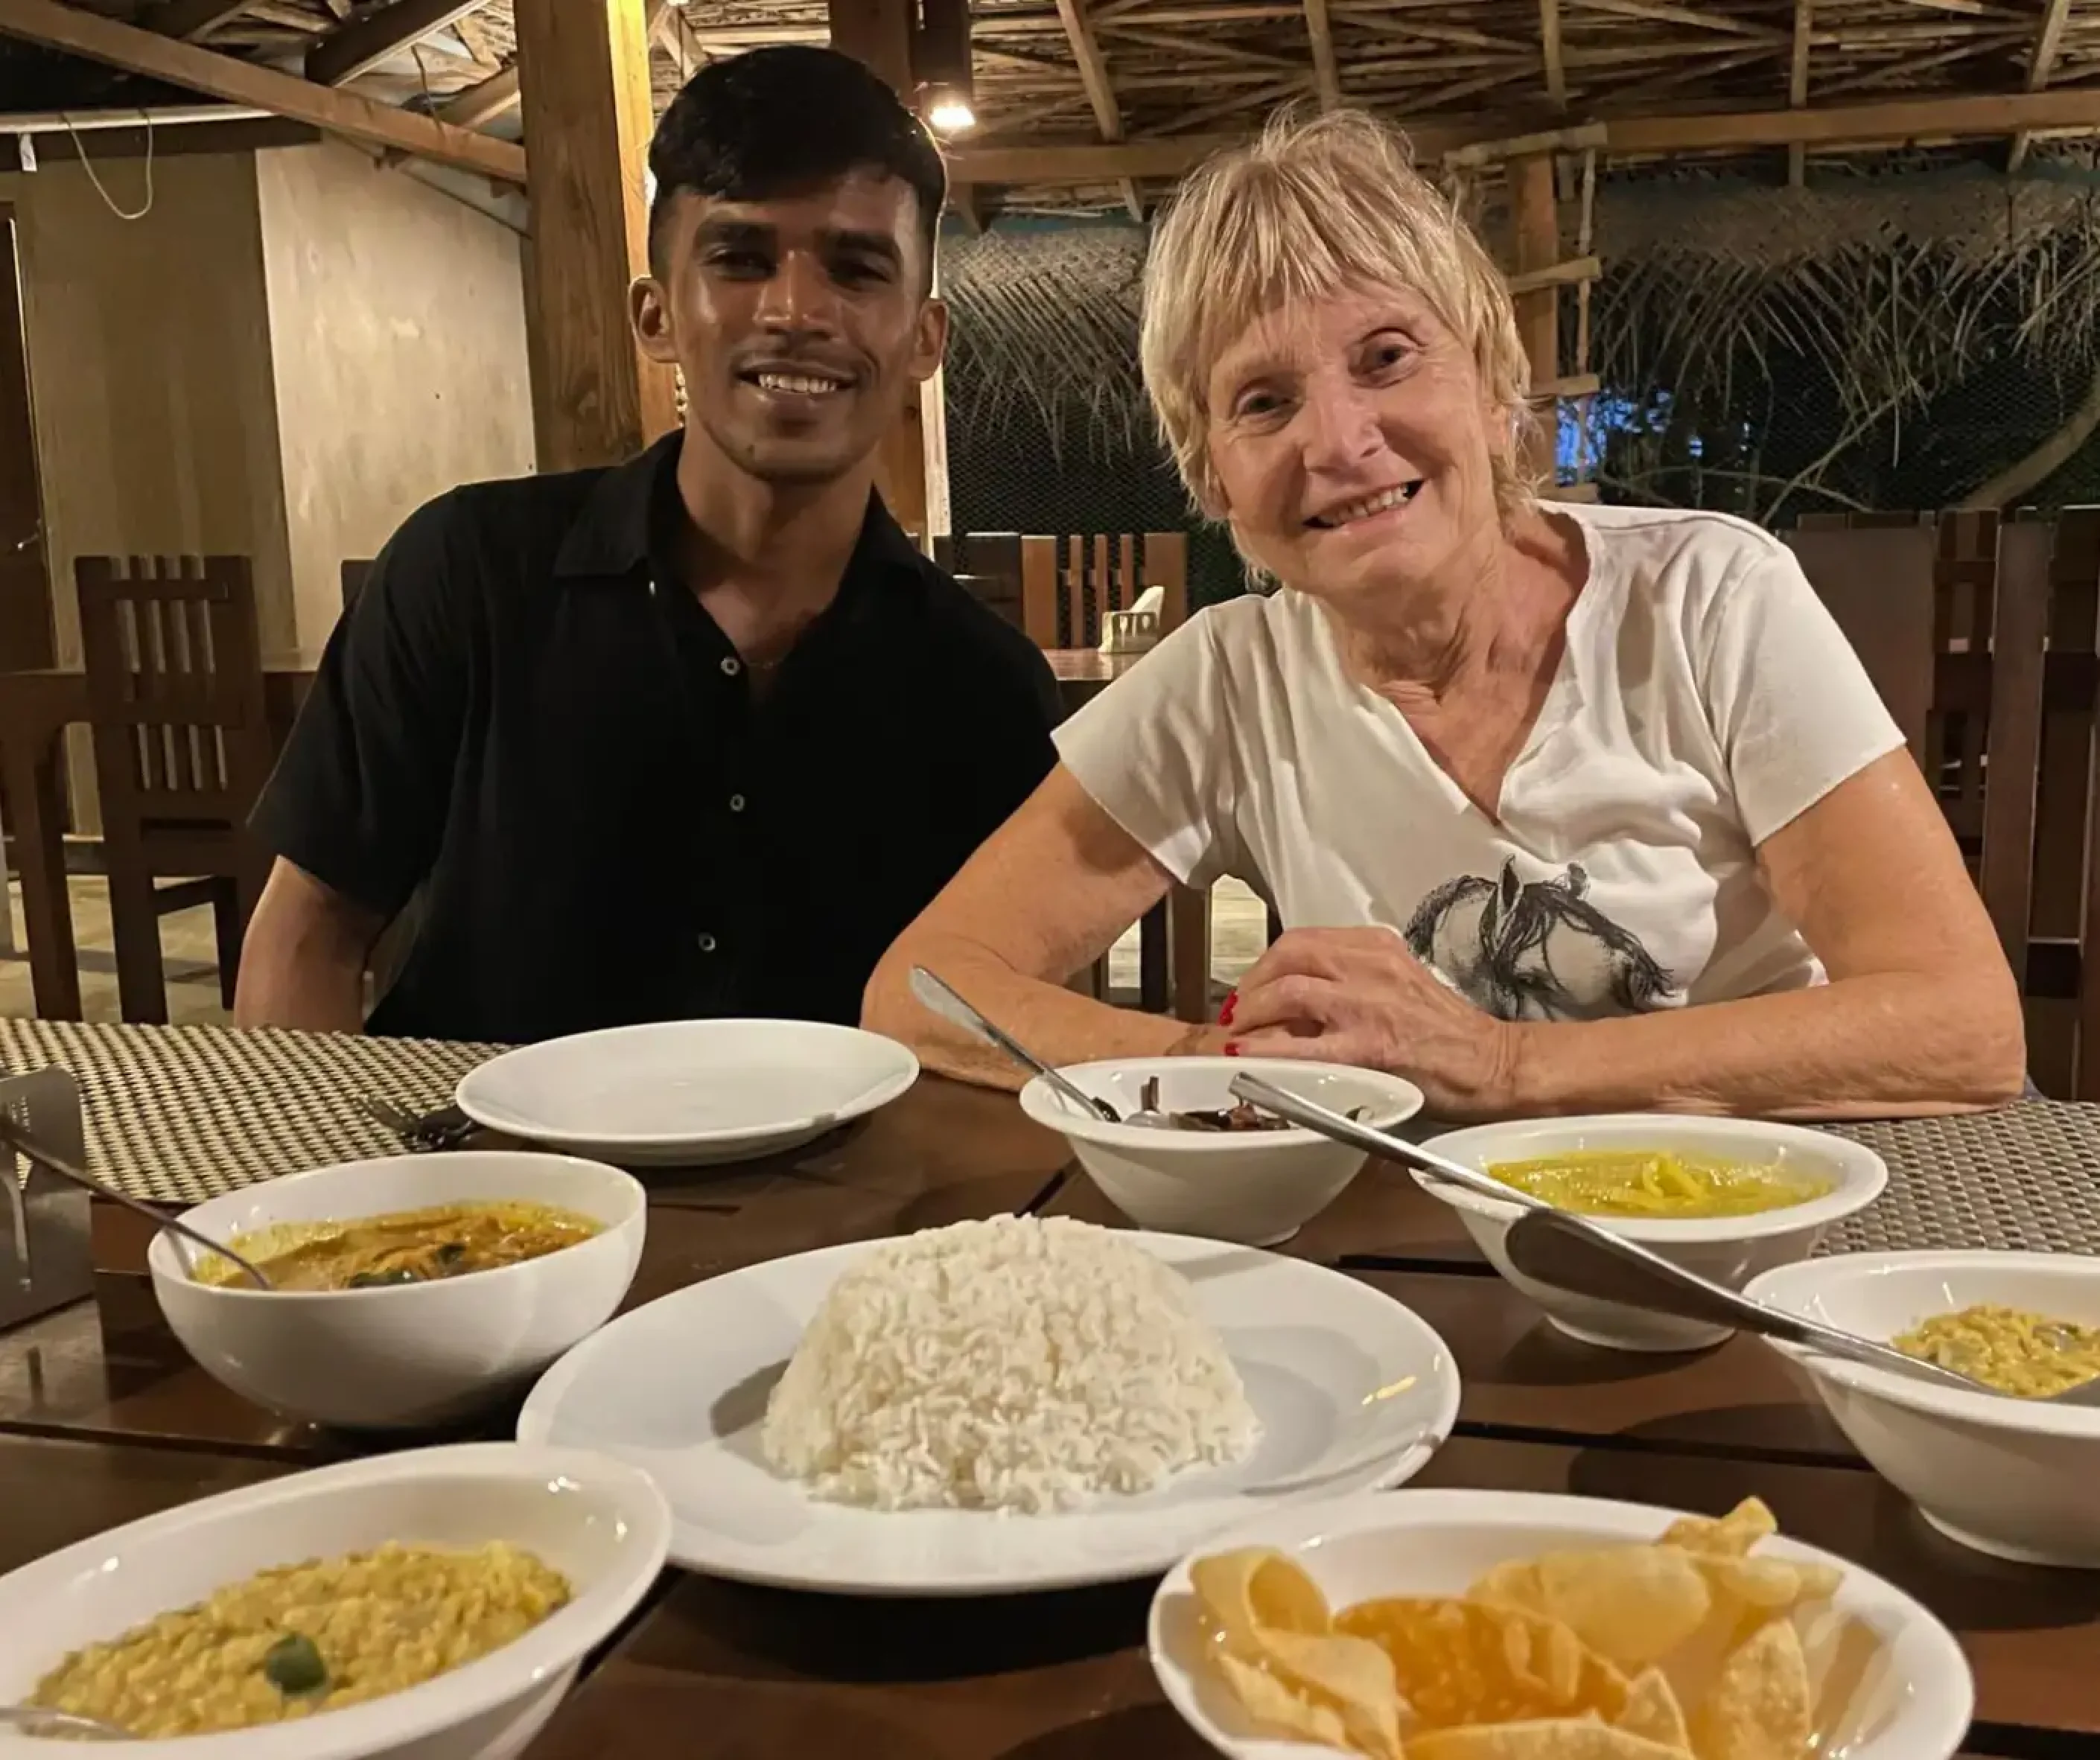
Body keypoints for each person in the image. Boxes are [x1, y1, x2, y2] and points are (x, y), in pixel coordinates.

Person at [865, 108, 2026, 1120]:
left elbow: (1962, 1027)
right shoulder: (1230, 678)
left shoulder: (1709, 598)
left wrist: (1500, 1064)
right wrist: (1228, 1072)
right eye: (1263, 401)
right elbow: (924, 988)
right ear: (1212, 477)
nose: (1337, 440)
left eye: (1386, 357)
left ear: (1489, 382)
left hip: (1751, 1227)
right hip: (1411, 1259)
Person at [236, 46, 1059, 1045]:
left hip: (845, 1200)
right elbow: (310, 935)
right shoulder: (465, 575)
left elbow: (1005, 1026)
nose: (796, 312)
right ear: (656, 313)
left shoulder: (984, 688)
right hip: (480, 1186)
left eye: (855, 268)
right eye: (741, 258)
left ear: (925, 339)